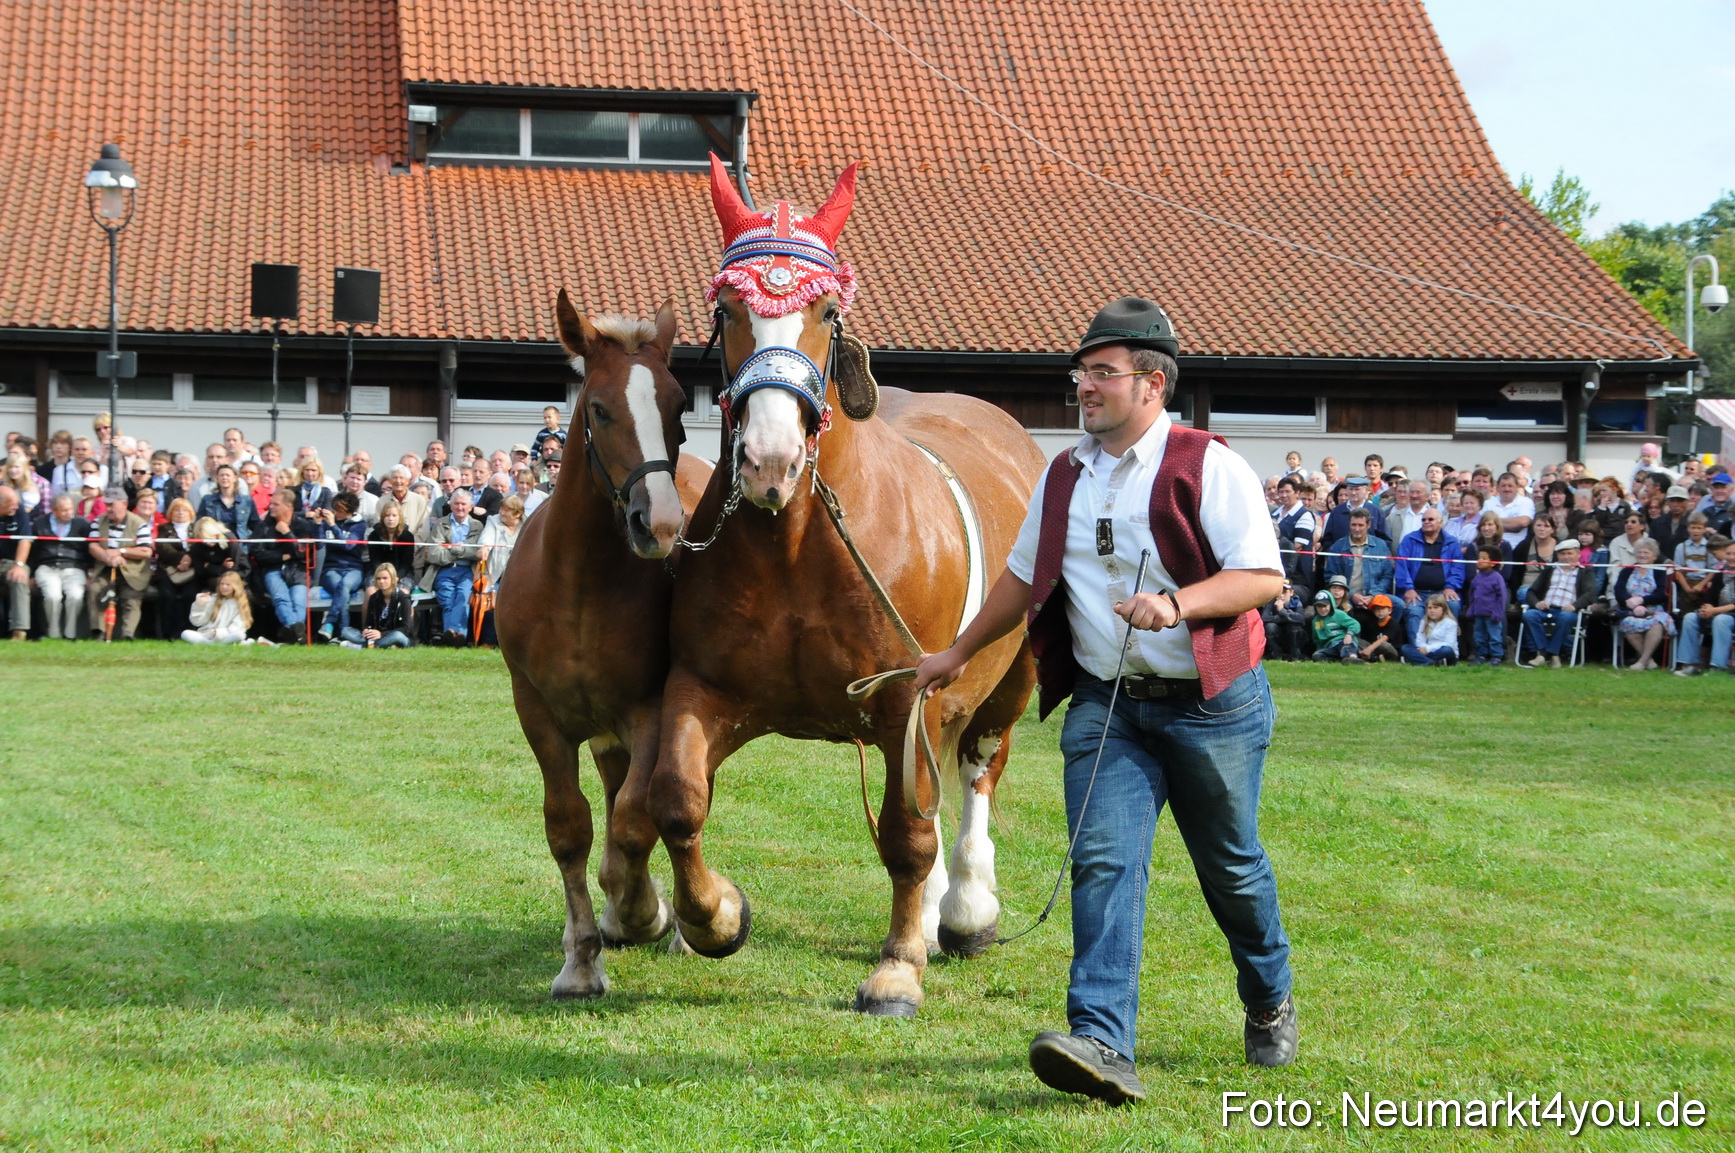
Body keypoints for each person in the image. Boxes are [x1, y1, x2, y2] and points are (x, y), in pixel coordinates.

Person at [913, 297, 1294, 1106]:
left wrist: (1179, 603)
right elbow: (1021, 578)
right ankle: (1101, 1040)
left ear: (1151, 383)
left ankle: (1269, 996)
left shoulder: (1206, 464)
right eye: (1080, 372)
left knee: (1230, 868)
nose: (1082, 386)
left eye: (1101, 372)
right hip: (1107, 705)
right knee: (1103, 861)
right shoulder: (1065, 473)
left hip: (1212, 704)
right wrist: (954, 651)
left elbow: (1263, 577)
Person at [419, 486, 483, 645]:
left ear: (470, 507)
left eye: (463, 504)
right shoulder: (441, 524)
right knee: (447, 599)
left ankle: (452, 633)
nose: (460, 507)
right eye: (456, 504)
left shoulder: (477, 526)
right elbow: (433, 554)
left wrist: (451, 547)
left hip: (467, 570)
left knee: (462, 596)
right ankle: (458, 636)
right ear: (451, 505)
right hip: (444, 570)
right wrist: (461, 549)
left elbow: (475, 553)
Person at [1521, 537, 1594, 669]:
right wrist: (1537, 603)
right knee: (1529, 615)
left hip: (1568, 611)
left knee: (1565, 617)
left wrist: (1575, 606)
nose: (1566, 557)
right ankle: (1551, 655)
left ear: (1578, 554)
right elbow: (1531, 592)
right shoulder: (1550, 569)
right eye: (1562, 554)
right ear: (1557, 555)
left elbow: (1590, 594)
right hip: (1547, 609)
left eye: (1570, 553)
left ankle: (1545, 654)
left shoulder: (1585, 571)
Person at [254, 490, 315, 644]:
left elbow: (303, 553)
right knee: (281, 599)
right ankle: (299, 634)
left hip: (298, 571)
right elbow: (257, 553)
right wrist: (281, 556)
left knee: (298, 602)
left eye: (276, 504)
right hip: (272, 569)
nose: (270, 507)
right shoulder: (263, 526)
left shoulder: (302, 525)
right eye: (271, 503)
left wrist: (287, 533)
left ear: (288, 506)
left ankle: (292, 633)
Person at [1393, 508, 1462, 640]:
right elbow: (1401, 567)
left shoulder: (1452, 542)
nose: (1426, 522)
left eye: (1430, 519)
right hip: (1416, 592)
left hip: (1442, 592)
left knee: (1453, 605)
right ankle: (1418, 651)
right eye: (1424, 519)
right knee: (1414, 611)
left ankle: (1446, 649)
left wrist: (1450, 586)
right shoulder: (1409, 540)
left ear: (1440, 523)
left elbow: (1458, 568)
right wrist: (1409, 588)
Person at [31, 492, 91, 639]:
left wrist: (90, 572)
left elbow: (88, 549)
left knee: (75, 596)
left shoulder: (82, 524)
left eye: (70, 509)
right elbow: (33, 551)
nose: (68, 513)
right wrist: (31, 574)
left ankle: (70, 634)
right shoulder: (39, 523)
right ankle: (54, 633)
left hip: (74, 567)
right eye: (64, 510)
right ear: (54, 510)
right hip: (47, 567)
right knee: (53, 597)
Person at [1674, 534, 1735, 676]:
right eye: (1729, 553)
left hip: (1728, 615)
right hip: (1718, 612)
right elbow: (1711, 598)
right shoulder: (1721, 573)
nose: (1731, 557)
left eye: (1734, 554)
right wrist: (1705, 609)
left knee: (1722, 620)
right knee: (1690, 617)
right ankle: (1689, 664)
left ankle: (1717, 667)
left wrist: (1715, 611)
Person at [314, 491, 369, 642]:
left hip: (354, 568)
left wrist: (333, 526)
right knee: (341, 587)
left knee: (344, 585)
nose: (336, 513)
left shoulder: (359, 524)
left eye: (340, 510)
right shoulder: (328, 522)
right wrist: (319, 524)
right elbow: (318, 544)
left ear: (349, 511)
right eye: (335, 509)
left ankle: (330, 623)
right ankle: (344, 630)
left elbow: (348, 546)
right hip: (331, 569)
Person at [1611, 538, 1673, 670]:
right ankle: (1649, 661)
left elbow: (1663, 593)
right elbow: (1619, 590)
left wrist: (1643, 601)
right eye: (1639, 552)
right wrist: (1629, 601)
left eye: (1646, 552)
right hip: (1632, 609)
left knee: (1656, 624)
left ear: (1654, 556)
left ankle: (1642, 661)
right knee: (1628, 623)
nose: (1642, 555)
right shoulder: (1627, 570)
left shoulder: (1660, 571)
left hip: (1654, 609)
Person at [473, 494, 523, 646]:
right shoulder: (493, 521)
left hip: (518, 576)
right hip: (495, 575)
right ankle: (487, 643)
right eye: (501, 508)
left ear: (517, 513)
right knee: (494, 606)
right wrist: (484, 548)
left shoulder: (527, 524)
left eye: (507, 510)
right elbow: (486, 538)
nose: (502, 512)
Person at [154, 497, 201, 638]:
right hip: (168, 571)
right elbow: (163, 548)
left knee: (190, 596)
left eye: (184, 510)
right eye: (177, 510)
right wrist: (180, 560)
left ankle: (188, 631)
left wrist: (189, 559)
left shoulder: (197, 528)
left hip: (192, 572)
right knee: (167, 595)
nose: (181, 513)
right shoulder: (163, 528)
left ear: (190, 512)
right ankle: (167, 633)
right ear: (171, 512)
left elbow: (199, 547)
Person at [344, 561, 414, 648]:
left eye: (385, 578)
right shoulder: (374, 597)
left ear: (393, 579)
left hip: (394, 635)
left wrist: (381, 634)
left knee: (397, 636)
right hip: (377, 637)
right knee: (345, 631)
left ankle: (362, 647)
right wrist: (367, 630)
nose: (381, 581)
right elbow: (369, 623)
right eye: (378, 578)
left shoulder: (403, 598)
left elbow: (406, 629)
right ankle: (382, 646)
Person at [1463, 546, 1509, 664]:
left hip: (1492, 615)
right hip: (1479, 613)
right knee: (1479, 636)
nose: (1480, 560)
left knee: (1494, 636)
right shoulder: (1477, 578)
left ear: (1493, 563)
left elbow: (1502, 597)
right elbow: (1472, 594)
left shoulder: (1497, 578)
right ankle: (1481, 655)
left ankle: (1496, 656)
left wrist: (1498, 612)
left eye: (1484, 558)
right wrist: (1471, 609)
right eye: (1479, 558)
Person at [195, 463, 262, 541]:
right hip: (216, 543)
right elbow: (200, 523)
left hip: (240, 544)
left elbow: (255, 525)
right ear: (217, 478)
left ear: (235, 478)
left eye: (228, 475)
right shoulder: (207, 500)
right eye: (221, 475)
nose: (224, 477)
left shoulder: (247, 501)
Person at [182, 570, 251, 644]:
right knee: (185, 633)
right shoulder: (213, 599)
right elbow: (197, 622)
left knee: (240, 635)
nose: (224, 587)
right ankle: (212, 643)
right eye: (222, 584)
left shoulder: (240, 603)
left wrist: (218, 633)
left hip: (226, 635)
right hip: (208, 634)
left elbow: (237, 626)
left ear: (235, 586)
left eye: (228, 584)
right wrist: (200, 604)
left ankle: (209, 643)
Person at [0, 485, 32, 639]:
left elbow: (25, 540)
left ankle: (19, 631)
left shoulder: (19, 512)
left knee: (19, 579)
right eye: (12, 503)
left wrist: (19, 565)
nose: (16, 506)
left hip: (11, 562)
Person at [1320, 475, 1387, 546]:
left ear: (1366, 491)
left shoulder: (1376, 512)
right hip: (1341, 555)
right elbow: (1327, 538)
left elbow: (1384, 539)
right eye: (1351, 489)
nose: (1353, 493)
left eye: (1357, 489)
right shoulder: (1337, 511)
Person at [1674, 513, 1716, 610]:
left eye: (1699, 528)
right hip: (1686, 584)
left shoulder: (1709, 547)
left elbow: (1714, 569)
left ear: (1705, 529)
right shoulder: (1681, 547)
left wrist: (1701, 585)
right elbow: (1677, 570)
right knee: (1686, 614)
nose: (1695, 531)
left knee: (1704, 615)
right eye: (1693, 528)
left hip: (1705, 585)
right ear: (1688, 528)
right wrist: (1687, 589)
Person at [1309, 589, 1362, 662]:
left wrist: (1349, 634)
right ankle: (1339, 660)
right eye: (1319, 606)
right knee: (1317, 655)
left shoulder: (1339, 614)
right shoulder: (1315, 621)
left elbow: (1355, 624)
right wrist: (1320, 650)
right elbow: (1317, 640)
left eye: (1325, 606)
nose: (1322, 609)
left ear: (1331, 604)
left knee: (1345, 649)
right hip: (1331, 647)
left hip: (1343, 642)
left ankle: (1352, 658)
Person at [1260, 580, 1306, 660]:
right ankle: (1276, 655)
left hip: (1292, 636)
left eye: (1285, 592)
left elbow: (1301, 618)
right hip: (1278, 635)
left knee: (1295, 626)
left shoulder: (1296, 601)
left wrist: (1282, 611)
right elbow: (1265, 618)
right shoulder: (1271, 602)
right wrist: (1286, 618)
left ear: (1291, 592)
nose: (1281, 595)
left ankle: (1295, 655)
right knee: (1270, 627)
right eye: (1279, 592)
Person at [1355, 594, 1404, 663]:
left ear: (1389, 610)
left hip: (1391, 651)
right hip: (1375, 649)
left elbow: (1383, 640)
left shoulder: (1393, 623)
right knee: (1357, 640)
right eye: (1377, 609)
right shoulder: (1373, 623)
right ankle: (1365, 657)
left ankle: (1373, 658)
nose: (1380, 611)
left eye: (1383, 608)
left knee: (1384, 644)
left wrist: (1369, 649)